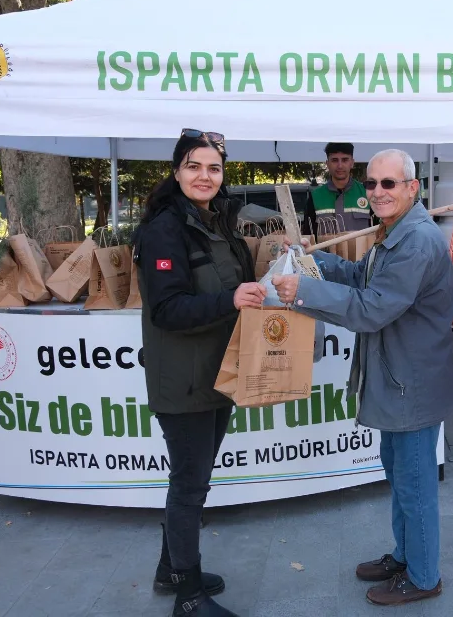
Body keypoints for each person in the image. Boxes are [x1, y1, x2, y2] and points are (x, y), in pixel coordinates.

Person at [270, 149, 453, 607]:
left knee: (414, 485)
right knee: (400, 477)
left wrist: (306, 290)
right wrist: (318, 261)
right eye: (371, 183)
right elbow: (360, 276)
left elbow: (374, 308)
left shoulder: (414, 240)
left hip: (410, 384)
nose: (377, 192)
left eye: (388, 184)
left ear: (413, 188)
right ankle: (406, 556)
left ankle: (424, 574)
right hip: (398, 380)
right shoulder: (396, 231)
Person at [132, 128, 267, 617]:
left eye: (213, 167)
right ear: (176, 172)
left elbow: (235, 284)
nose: (204, 176)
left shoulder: (218, 222)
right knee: (189, 484)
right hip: (184, 378)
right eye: (193, 166)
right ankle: (188, 596)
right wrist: (229, 299)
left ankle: (171, 568)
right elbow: (168, 309)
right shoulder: (164, 229)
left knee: (196, 477)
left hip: (218, 371)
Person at [302, 142, 374, 238]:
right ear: (327, 164)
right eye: (335, 160)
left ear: (352, 163)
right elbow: (308, 236)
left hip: (362, 253)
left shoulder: (367, 193)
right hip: (324, 253)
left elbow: (380, 231)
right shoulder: (315, 197)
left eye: (345, 160)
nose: (340, 166)